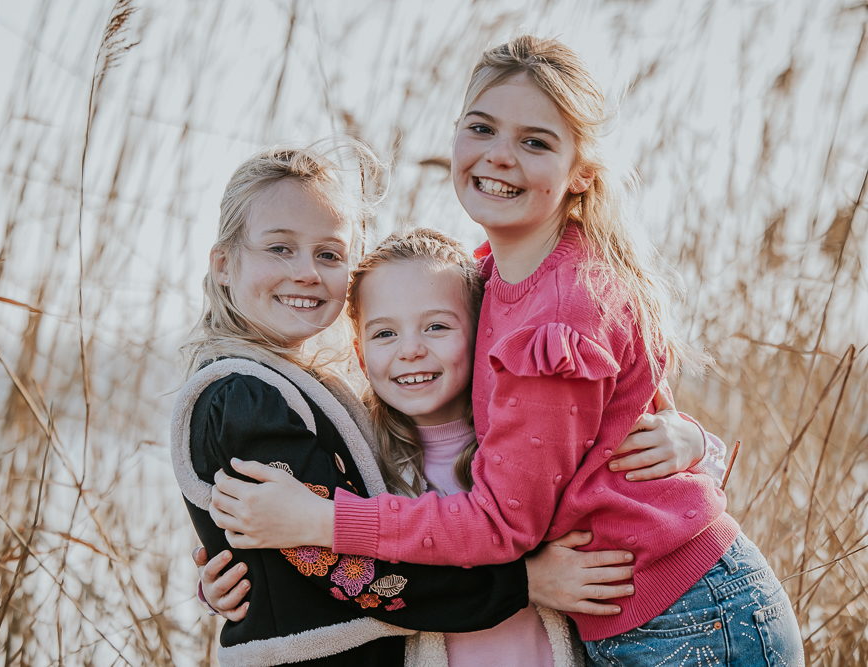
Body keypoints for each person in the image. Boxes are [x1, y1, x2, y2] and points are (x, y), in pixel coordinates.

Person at [206, 36, 805, 666]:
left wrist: (322, 524)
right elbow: (622, 417)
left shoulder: (562, 310)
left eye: (535, 141)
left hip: (689, 616)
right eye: (482, 127)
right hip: (642, 612)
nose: (500, 156)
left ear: (581, 174)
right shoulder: (492, 279)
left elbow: (500, 526)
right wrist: (253, 567)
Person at [173, 142, 721, 666]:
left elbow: (612, 443)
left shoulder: (507, 435)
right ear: (223, 263)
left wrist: (697, 443)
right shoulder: (265, 402)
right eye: (279, 247)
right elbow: (338, 563)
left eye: (329, 253)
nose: (307, 271)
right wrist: (528, 583)